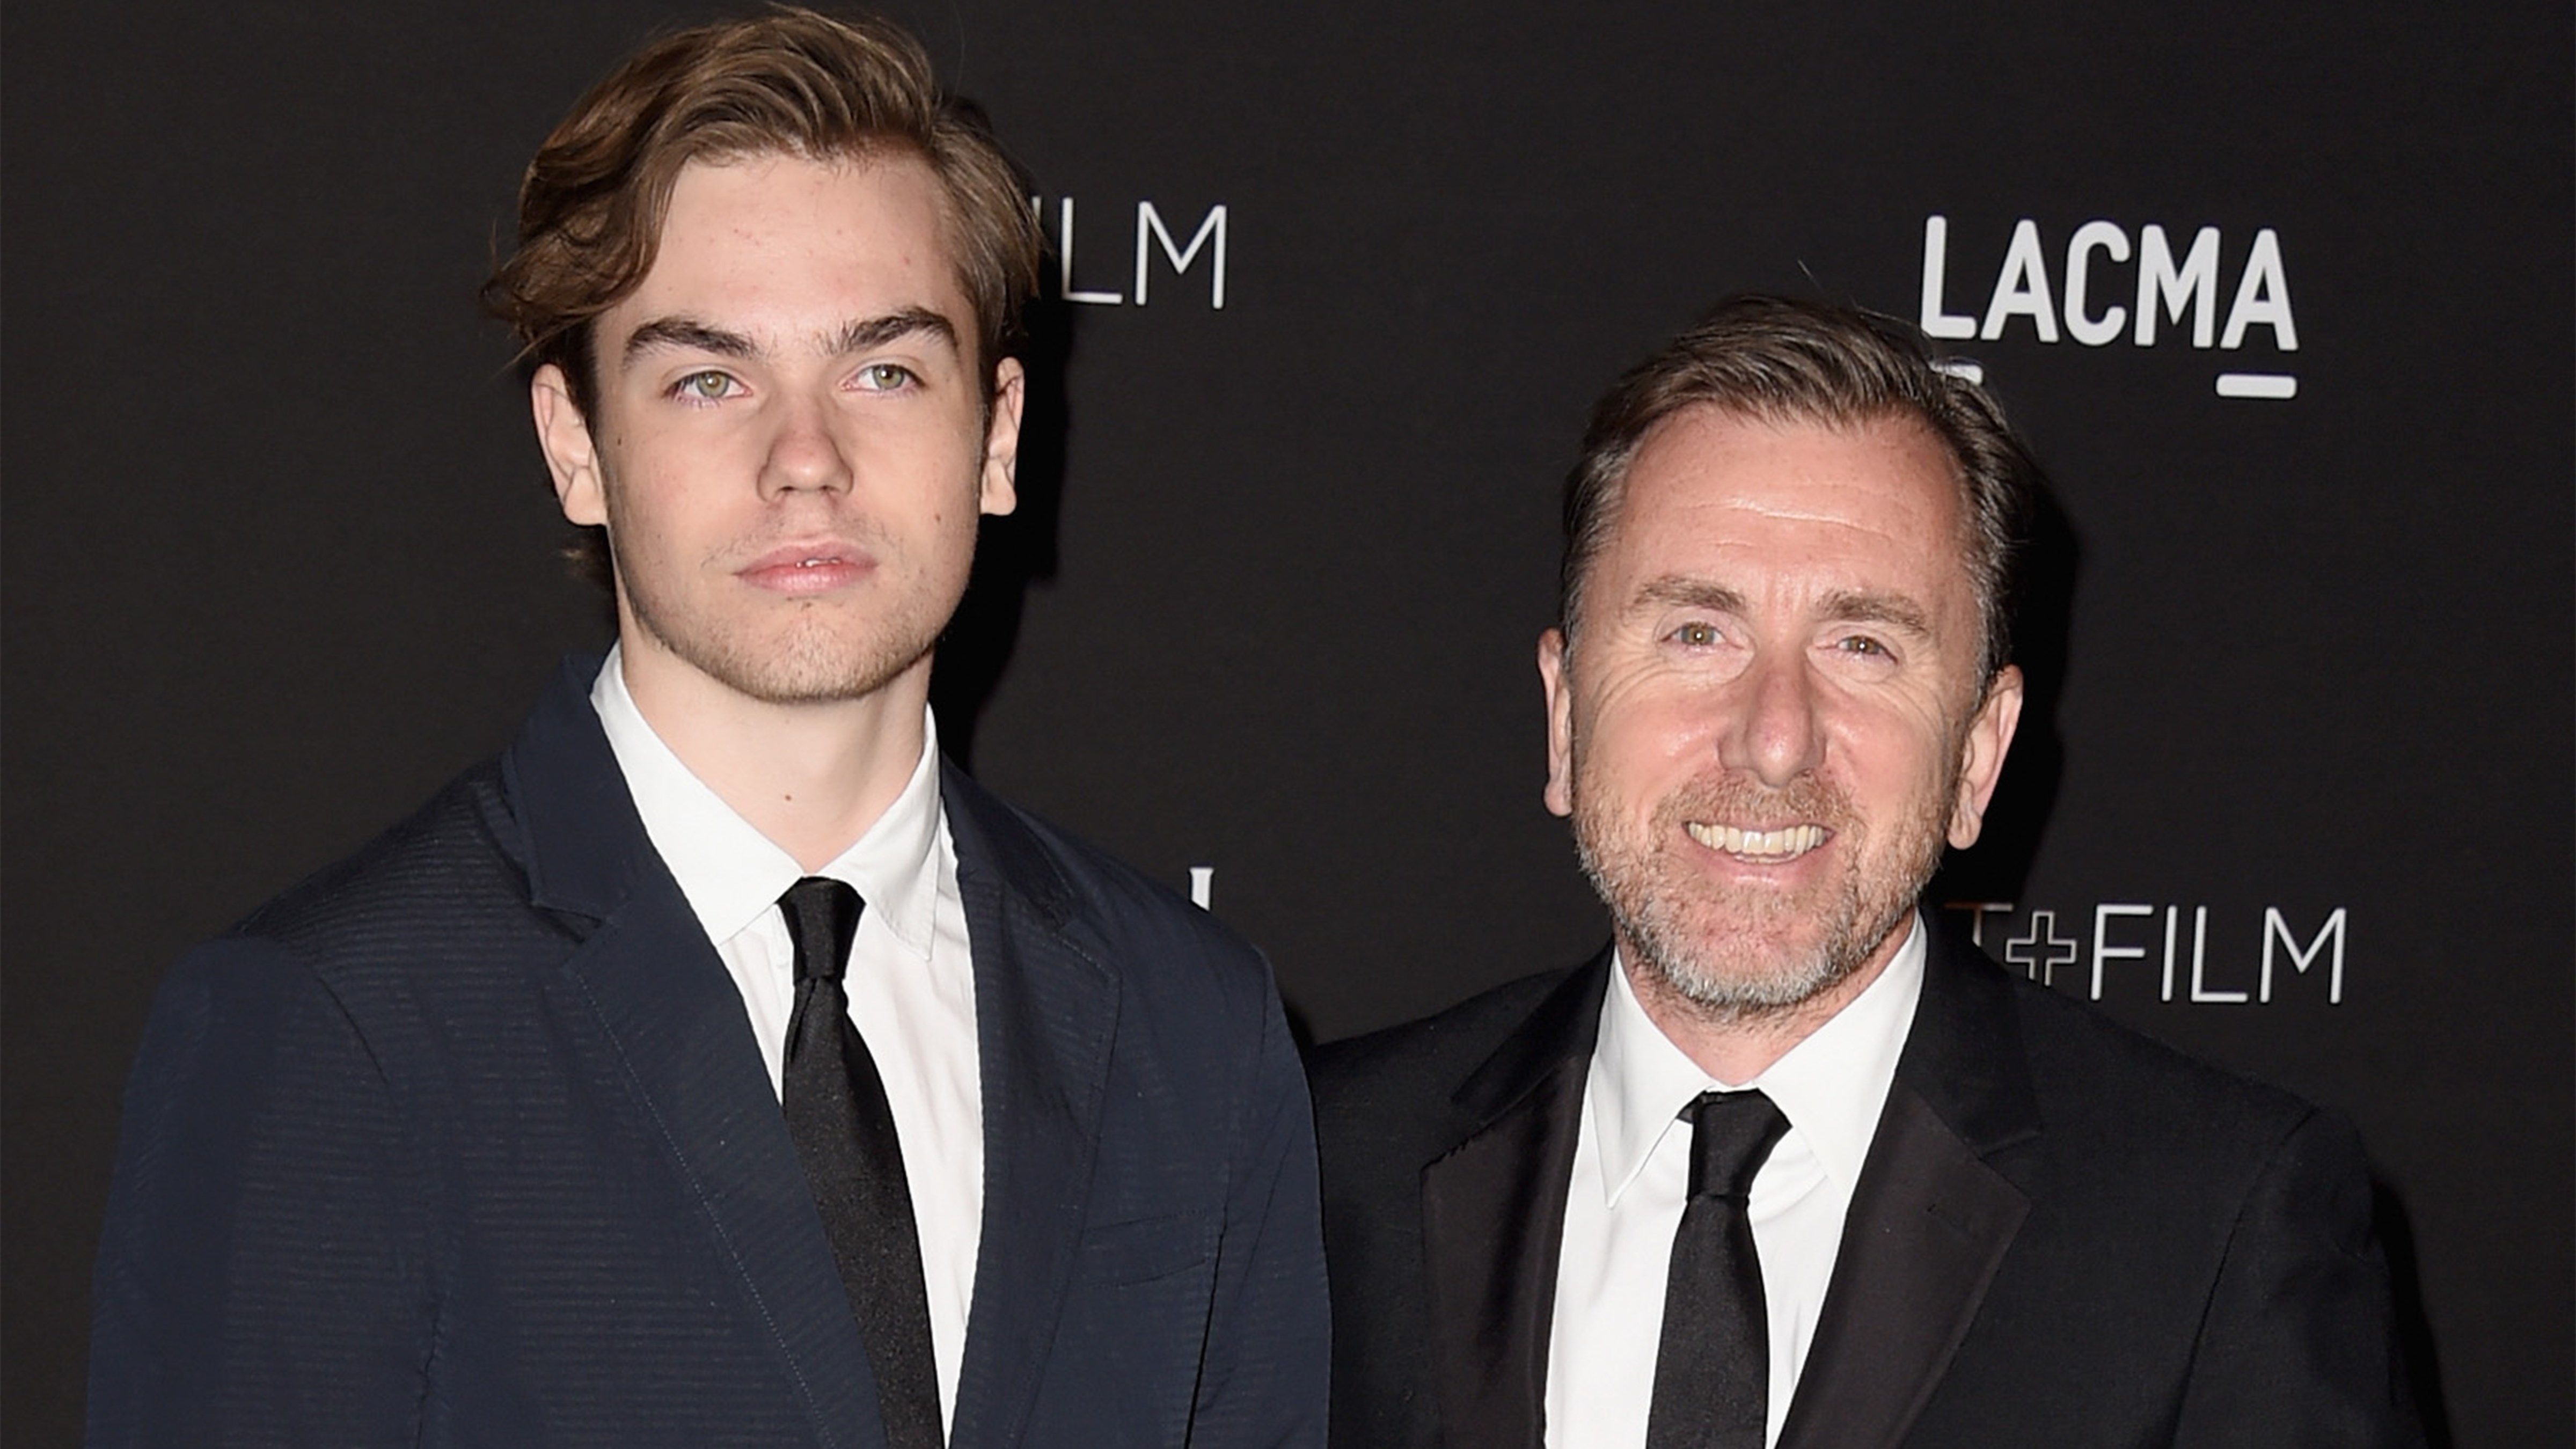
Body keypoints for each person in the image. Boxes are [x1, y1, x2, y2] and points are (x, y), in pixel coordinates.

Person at [87, 11, 1326, 1445]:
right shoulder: (330, 1028)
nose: (805, 458)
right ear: (576, 446)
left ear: (995, 438)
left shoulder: (1191, 1025)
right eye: (709, 378)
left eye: (883, 369)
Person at [1311, 296, 2420, 1448]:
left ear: (1978, 757)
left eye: (1863, 646)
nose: (1774, 737)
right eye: (1699, 632)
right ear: (1563, 715)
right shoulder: (1321, 1164)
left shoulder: (2218, 1227)